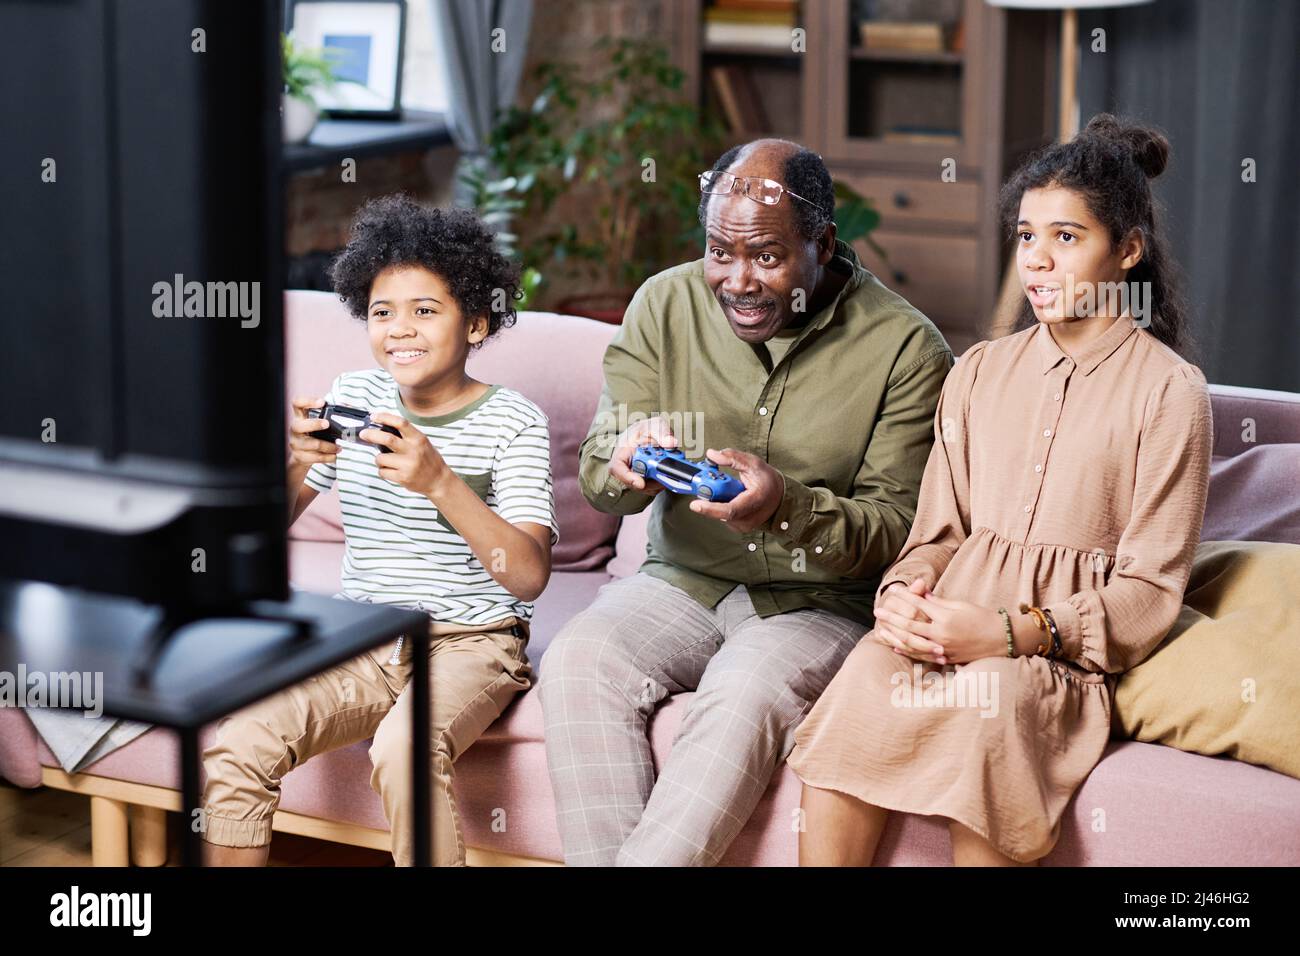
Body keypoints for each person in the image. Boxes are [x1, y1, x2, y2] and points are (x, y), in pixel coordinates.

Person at [788, 115, 1213, 866]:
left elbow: (1149, 592)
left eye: (1067, 239)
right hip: (942, 633)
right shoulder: (980, 370)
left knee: (994, 714)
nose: (1039, 264)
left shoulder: (1170, 393)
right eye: (1026, 238)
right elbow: (938, 536)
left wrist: (1008, 635)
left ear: (1129, 250)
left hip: (1049, 662)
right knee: (858, 686)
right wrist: (902, 593)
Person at [538, 138, 952, 866]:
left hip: (819, 602)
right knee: (577, 657)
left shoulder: (906, 349)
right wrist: (624, 456)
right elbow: (601, 473)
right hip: (685, 580)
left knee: (743, 691)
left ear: (823, 243)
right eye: (719, 252)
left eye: (766, 256)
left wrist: (783, 506)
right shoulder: (664, 306)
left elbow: (897, 532)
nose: (737, 281)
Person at [200, 195, 557, 866]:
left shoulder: (515, 422)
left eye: (426, 311)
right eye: (382, 312)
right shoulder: (355, 395)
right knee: (241, 739)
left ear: (477, 323)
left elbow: (529, 575)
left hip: (473, 640)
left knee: (405, 747)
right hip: (365, 635)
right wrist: (299, 463)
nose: (400, 329)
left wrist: (439, 482)